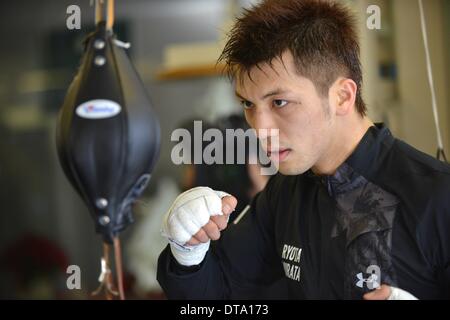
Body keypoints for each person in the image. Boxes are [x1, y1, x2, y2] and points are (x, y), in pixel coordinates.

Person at [157, 0, 450, 299]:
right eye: (248, 104)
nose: (260, 129)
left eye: (279, 102)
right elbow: (215, 294)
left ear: (341, 97)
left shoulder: (438, 198)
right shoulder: (284, 194)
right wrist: (188, 252)